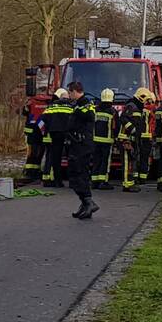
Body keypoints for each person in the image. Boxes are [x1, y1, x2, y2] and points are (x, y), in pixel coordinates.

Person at [66, 81, 98, 219]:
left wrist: (77, 111)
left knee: (80, 174)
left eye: (69, 92)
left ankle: (88, 202)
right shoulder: (78, 105)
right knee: (74, 174)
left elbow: (89, 115)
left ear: (74, 91)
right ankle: (84, 203)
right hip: (76, 144)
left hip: (82, 145)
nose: (69, 95)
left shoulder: (85, 104)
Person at [39, 88, 72, 187]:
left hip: (54, 135)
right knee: (71, 158)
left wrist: (48, 129)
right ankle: (72, 182)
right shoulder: (71, 107)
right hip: (68, 135)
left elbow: (41, 121)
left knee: (55, 158)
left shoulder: (51, 107)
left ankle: (57, 181)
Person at [91, 89, 117, 190]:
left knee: (96, 160)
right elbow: (116, 126)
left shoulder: (95, 110)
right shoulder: (112, 111)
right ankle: (103, 182)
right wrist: (116, 138)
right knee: (105, 161)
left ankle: (94, 182)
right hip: (107, 141)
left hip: (95, 140)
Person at [132, 88, 156, 184]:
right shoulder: (152, 110)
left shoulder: (138, 109)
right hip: (147, 136)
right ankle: (143, 178)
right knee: (144, 158)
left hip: (138, 135)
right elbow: (154, 124)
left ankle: (135, 177)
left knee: (136, 157)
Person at [21, 104, 44, 180]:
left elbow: (24, 113)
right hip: (40, 132)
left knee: (34, 153)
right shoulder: (48, 102)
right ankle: (32, 172)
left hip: (32, 133)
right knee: (36, 153)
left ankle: (31, 172)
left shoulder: (30, 103)